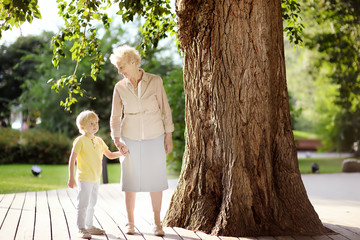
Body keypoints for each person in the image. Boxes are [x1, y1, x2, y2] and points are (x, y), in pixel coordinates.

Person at [109, 45, 174, 236]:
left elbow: (165, 109)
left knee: (156, 179)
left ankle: (157, 222)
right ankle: (130, 223)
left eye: (121, 66)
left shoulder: (155, 81)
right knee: (130, 181)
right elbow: (115, 117)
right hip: (129, 138)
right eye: (117, 68)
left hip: (155, 135)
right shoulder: (119, 87)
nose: (119, 71)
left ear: (133, 62)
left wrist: (168, 136)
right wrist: (117, 139)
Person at [68, 110, 129, 239]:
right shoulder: (80, 141)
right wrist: (71, 177)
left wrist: (122, 153)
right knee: (83, 204)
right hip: (84, 178)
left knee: (92, 204)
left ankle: (89, 226)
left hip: (96, 179)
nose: (95, 125)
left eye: (96, 122)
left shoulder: (99, 141)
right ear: (82, 127)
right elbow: (72, 159)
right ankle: (81, 228)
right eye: (91, 123)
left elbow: (110, 155)